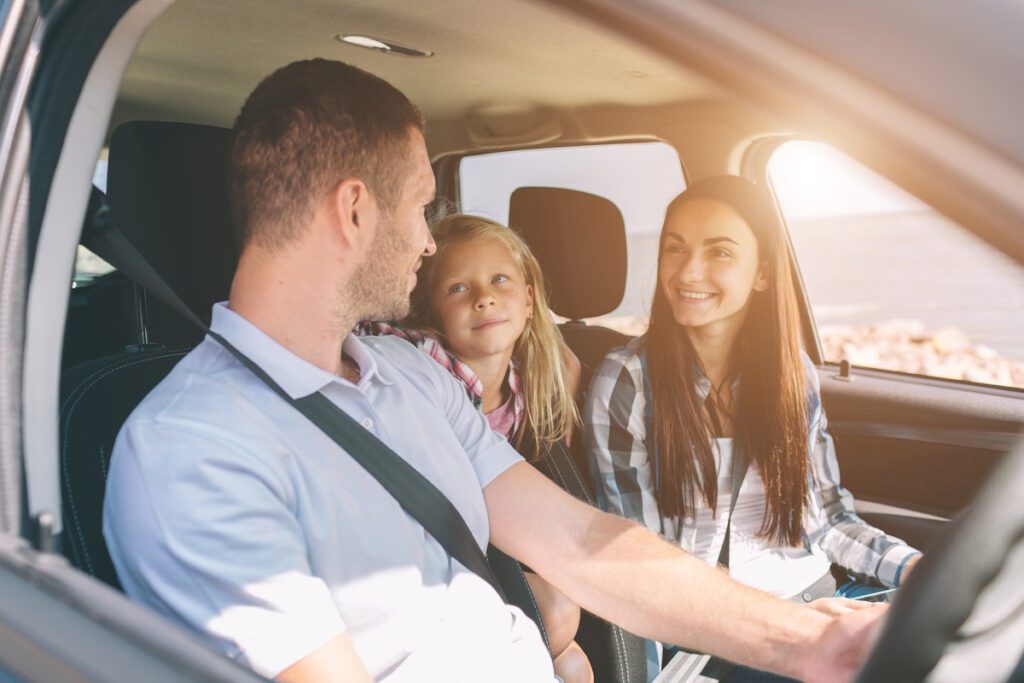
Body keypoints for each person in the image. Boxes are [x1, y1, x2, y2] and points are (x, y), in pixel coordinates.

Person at [103, 60, 885, 683]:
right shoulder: (195, 451)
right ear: (353, 211)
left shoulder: (409, 376)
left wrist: (812, 640)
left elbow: (582, 541)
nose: (427, 242)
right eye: (420, 208)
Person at [585, 176, 921, 678]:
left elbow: (827, 520)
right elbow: (643, 565)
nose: (687, 270)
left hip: (822, 600)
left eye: (719, 252)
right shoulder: (627, 382)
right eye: (674, 248)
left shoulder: (791, 374)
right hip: (719, 636)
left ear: (762, 273)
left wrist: (919, 571)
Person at [357, 214, 591, 680]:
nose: (484, 297)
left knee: (576, 663)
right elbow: (378, 340)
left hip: (488, 547)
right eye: (458, 289)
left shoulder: (532, 383)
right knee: (560, 616)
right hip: (433, 554)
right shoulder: (424, 364)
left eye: (499, 280)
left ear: (529, 300)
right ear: (431, 313)